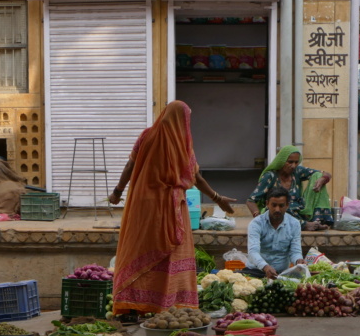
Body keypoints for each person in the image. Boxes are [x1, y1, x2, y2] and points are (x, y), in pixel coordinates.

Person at [108, 101, 235, 314]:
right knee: (172, 254)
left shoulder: (146, 136)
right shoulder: (183, 144)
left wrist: (118, 191)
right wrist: (216, 197)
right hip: (173, 207)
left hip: (143, 205)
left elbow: (130, 165)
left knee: (139, 249)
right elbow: (196, 178)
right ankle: (169, 303)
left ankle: (135, 303)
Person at [245, 146, 333, 229]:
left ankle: (318, 222)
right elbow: (250, 200)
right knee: (282, 208)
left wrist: (322, 179)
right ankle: (304, 225)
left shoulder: (298, 171)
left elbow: (325, 173)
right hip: (278, 211)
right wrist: (258, 218)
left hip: (298, 210)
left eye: (296, 162)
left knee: (318, 176)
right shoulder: (270, 176)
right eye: (290, 162)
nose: (293, 166)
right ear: (282, 161)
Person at [246, 188, 306, 279]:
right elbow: (253, 251)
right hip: (256, 271)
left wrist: (299, 261)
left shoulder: (294, 224)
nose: (277, 209)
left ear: (287, 205)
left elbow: (295, 251)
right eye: (274, 205)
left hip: (281, 273)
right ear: (267, 204)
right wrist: (265, 267)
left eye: (281, 206)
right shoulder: (256, 223)